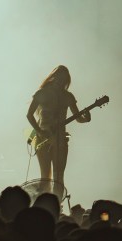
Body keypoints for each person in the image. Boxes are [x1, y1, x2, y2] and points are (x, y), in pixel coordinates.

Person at [26, 65, 90, 199]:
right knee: (45, 176)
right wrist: (39, 131)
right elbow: (29, 115)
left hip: (60, 139)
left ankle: (57, 206)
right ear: (54, 77)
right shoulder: (41, 93)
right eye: (59, 78)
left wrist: (86, 118)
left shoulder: (68, 96)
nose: (60, 81)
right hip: (43, 138)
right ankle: (44, 207)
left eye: (64, 79)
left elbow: (78, 118)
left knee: (58, 177)